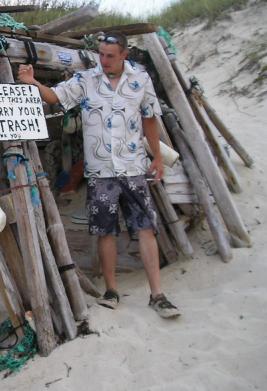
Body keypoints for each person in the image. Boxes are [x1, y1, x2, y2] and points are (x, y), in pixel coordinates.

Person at [18, 31, 180, 319]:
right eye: (101, 54)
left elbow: (149, 118)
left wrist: (157, 156)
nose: (103, 60)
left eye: (110, 56)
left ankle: (158, 294)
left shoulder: (140, 80)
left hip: (133, 166)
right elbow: (56, 96)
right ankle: (111, 290)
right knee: (104, 231)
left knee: (146, 227)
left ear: (124, 55)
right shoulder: (86, 80)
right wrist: (32, 82)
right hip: (100, 171)